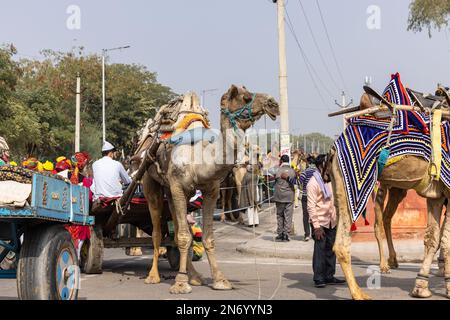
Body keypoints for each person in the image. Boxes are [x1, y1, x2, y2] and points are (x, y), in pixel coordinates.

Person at [306, 154, 345, 288]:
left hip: (332, 221)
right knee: (320, 251)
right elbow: (310, 206)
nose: (330, 167)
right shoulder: (313, 183)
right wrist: (316, 226)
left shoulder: (330, 180)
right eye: (327, 164)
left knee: (331, 250)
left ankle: (329, 276)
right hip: (320, 223)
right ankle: (319, 278)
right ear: (321, 166)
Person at [273, 154, 297, 242]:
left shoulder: (277, 170)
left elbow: (272, 176)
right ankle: (286, 234)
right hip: (289, 196)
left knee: (280, 215)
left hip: (279, 196)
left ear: (281, 161)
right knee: (288, 215)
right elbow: (295, 181)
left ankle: (280, 234)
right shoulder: (292, 171)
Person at [299, 155, 317, 242]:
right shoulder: (318, 172)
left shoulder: (305, 172)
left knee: (306, 216)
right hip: (316, 197)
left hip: (306, 196)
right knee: (315, 215)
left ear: (308, 162)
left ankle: (307, 234)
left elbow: (299, 182)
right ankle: (315, 232)